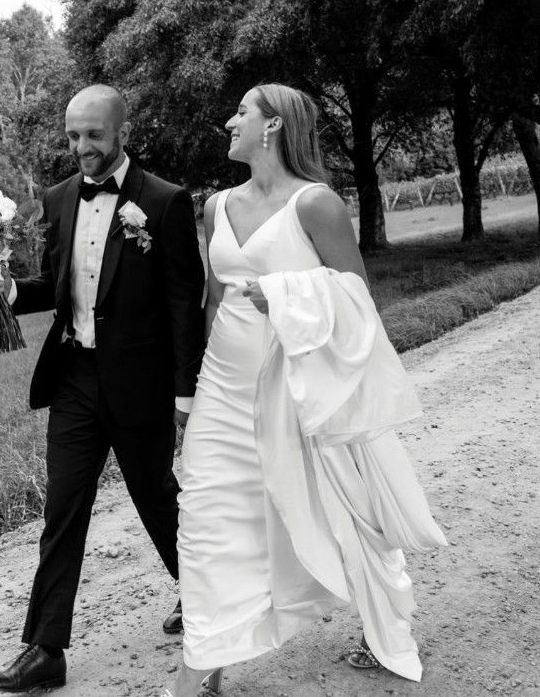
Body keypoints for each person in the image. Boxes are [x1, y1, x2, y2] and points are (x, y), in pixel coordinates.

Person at [163, 84, 446, 697]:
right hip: (223, 387)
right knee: (204, 520)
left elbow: (357, 298)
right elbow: (213, 301)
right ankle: (203, 664)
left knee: (345, 511)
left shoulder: (315, 204)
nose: (229, 122)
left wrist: (290, 294)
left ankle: (385, 626)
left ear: (271, 127)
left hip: (298, 388)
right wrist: (192, 394)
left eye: (241, 112)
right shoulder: (215, 206)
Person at [0, 84, 205, 692]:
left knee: (156, 496)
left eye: (93, 136)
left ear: (121, 132)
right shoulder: (57, 199)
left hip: (141, 383)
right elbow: (58, 282)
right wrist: (10, 293)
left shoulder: (164, 202)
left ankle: (208, 596)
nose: (81, 148)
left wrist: (186, 394)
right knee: (63, 508)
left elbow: (185, 304)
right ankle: (45, 649)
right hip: (75, 377)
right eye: (73, 136)